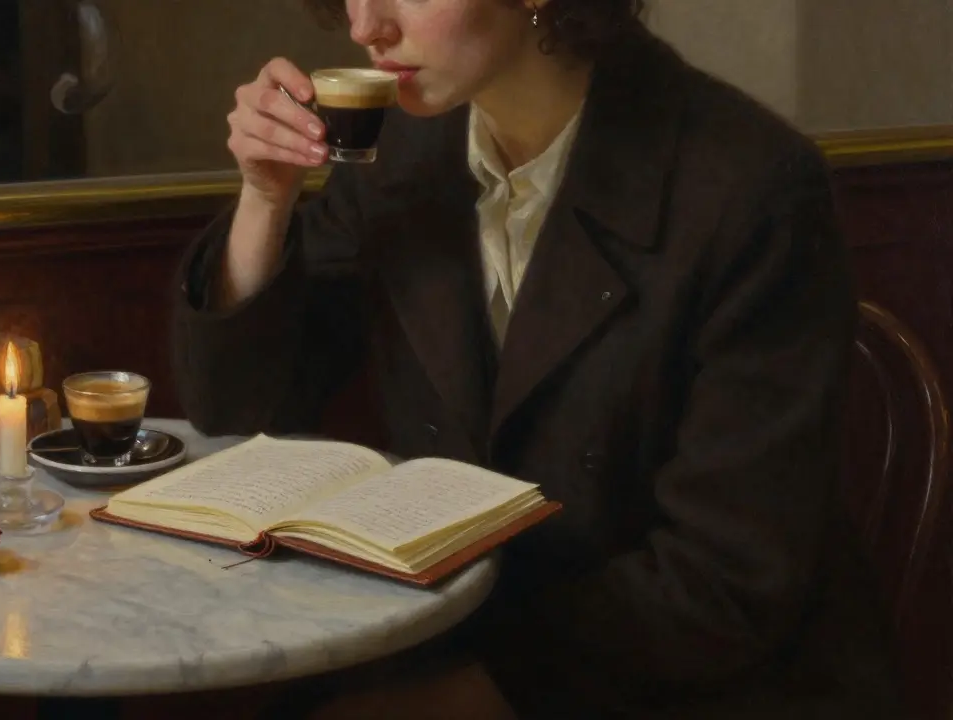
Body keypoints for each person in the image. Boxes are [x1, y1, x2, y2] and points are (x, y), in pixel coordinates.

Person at [170, 0, 902, 717]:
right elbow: (241, 414)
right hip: (451, 638)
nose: (366, 25)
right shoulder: (401, 150)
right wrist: (265, 200)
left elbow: (727, 580)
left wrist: (455, 698)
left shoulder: (747, 183)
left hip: (688, 681)